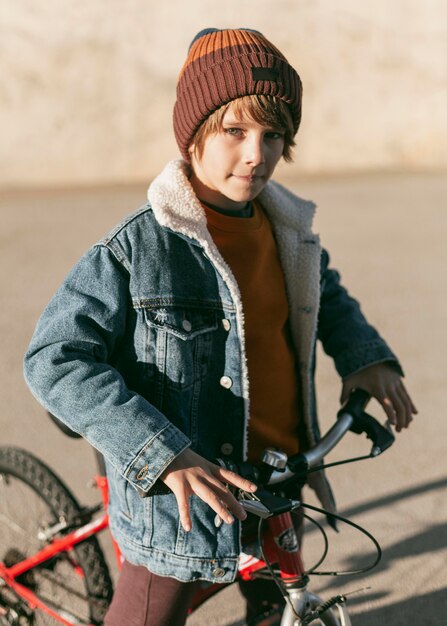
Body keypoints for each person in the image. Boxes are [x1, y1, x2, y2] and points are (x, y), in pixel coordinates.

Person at [24, 28, 417, 626]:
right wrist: (165, 455)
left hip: (278, 475)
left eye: (273, 134)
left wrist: (366, 354)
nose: (257, 154)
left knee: (277, 600)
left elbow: (323, 296)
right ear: (194, 134)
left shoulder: (285, 228)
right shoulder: (138, 249)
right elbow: (54, 357)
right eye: (235, 131)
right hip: (180, 500)